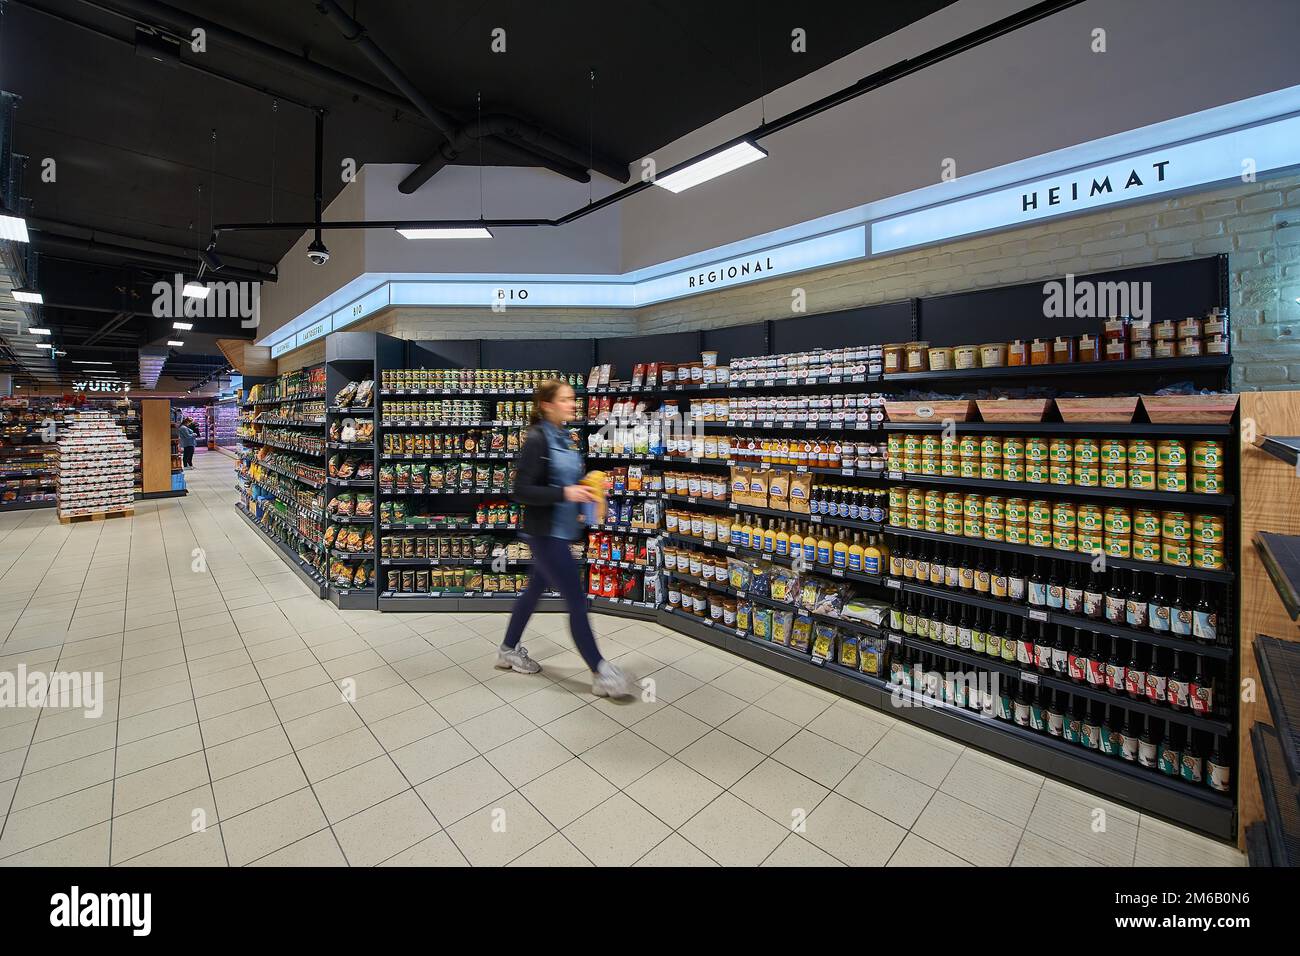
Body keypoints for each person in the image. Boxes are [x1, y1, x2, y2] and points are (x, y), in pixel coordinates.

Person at [498, 379, 633, 698]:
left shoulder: (566, 436)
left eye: (574, 399)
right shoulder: (537, 439)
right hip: (545, 533)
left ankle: (507, 649)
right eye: (566, 399)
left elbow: (567, 480)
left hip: (561, 528)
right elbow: (521, 490)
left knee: (533, 591)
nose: (573, 404)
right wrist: (566, 492)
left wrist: (586, 491)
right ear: (547, 405)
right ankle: (600, 671)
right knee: (576, 599)